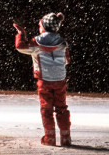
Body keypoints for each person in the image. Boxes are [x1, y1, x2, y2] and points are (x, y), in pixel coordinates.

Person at [14, 12, 71, 147]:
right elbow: (67, 60)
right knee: (61, 107)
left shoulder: (36, 43)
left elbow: (20, 46)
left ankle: (50, 137)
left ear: (44, 27)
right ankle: (66, 137)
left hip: (44, 81)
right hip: (60, 80)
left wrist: (21, 33)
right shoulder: (63, 43)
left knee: (47, 108)